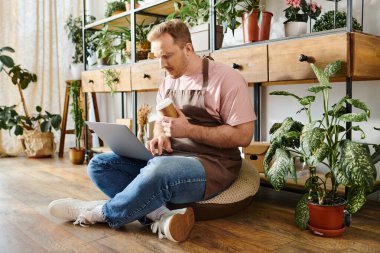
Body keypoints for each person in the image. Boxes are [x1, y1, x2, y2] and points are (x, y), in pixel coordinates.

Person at [48, 19, 255, 243]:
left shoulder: (226, 79)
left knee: (158, 169)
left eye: (167, 55)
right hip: (170, 159)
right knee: (99, 165)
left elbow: (243, 136)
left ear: (188, 48)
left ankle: (98, 212)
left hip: (212, 164)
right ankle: (163, 216)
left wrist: (188, 130)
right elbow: (160, 120)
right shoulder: (169, 80)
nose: (162, 65)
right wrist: (160, 135)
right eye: (158, 57)